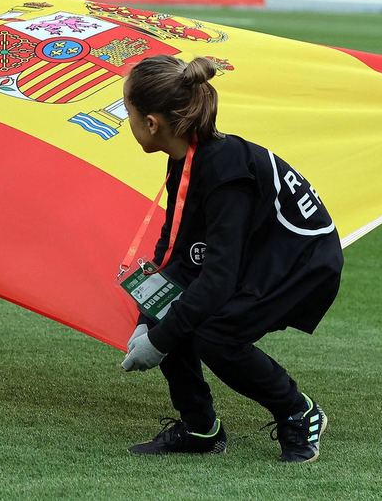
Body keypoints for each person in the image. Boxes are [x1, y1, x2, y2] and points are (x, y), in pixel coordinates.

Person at [116, 55, 343, 463]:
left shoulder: (225, 169)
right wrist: (148, 318)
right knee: (170, 308)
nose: (124, 120)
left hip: (300, 261)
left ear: (152, 123)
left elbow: (218, 279)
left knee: (215, 335)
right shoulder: (185, 156)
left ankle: (298, 412)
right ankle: (200, 429)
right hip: (256, 253)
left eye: (126, 110)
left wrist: (160, 340)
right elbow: (177, 246)